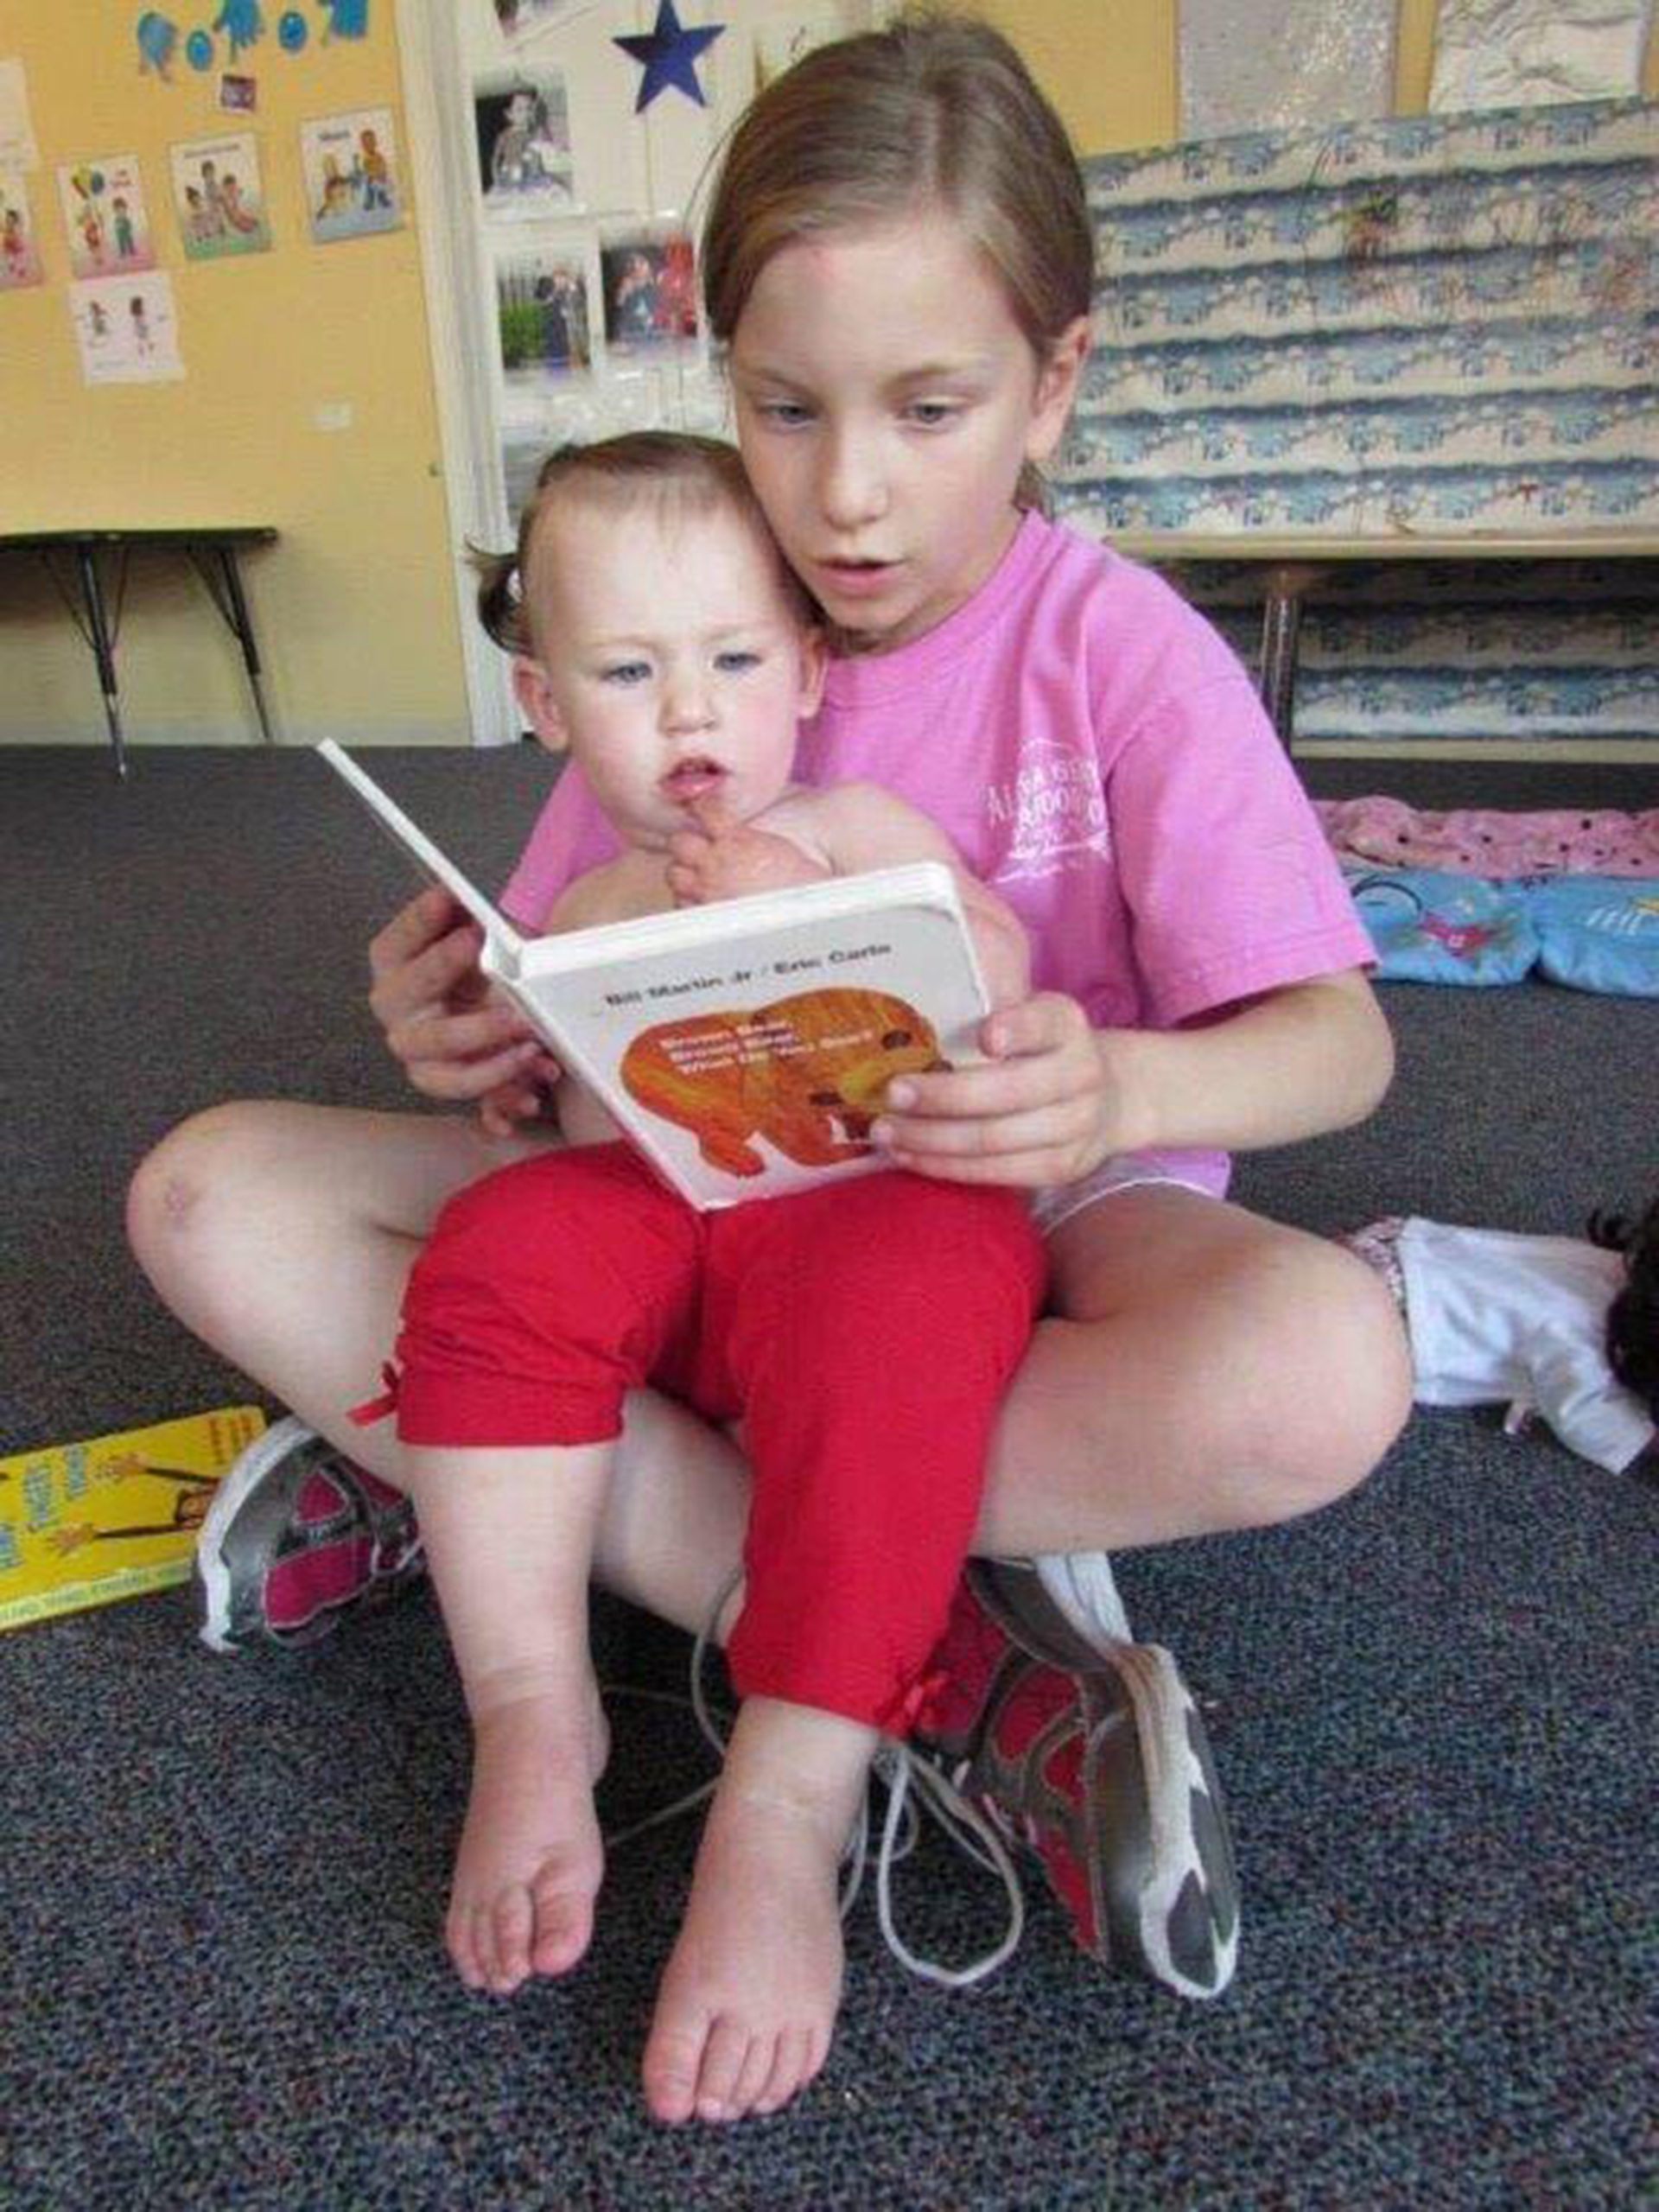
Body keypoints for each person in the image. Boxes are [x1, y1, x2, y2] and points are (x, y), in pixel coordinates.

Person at [128, 9, 1410, 2124]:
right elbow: (560, 1014)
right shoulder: (682, 597)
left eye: (930, 405)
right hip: (682, 1218)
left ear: (1055, 380)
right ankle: (910, 1641)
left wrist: (1118, 1095)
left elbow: (1339, 1042)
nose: (844, 488)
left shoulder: (1120, 650)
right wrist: (473, 1039)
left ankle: (519, 1492)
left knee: (1318, 1362)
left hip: (1026, 1218)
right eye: (780, 402)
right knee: (202, 1191)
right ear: (714, 365)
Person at [379, 429, 1044, 2115]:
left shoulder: (857, 814)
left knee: (921, 1293)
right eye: (628, 670)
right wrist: (507, 1031)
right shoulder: (581, 893)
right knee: (500, 1241)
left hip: (865, 1216)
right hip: (658, 1221)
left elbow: (1000, 955)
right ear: (544, 703)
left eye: (736, 660)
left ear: (810, 669)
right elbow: (541, 1112)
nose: (690, 713)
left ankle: (791, 1794)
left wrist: (824, 887)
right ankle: (530, 1698)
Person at [1342, 1196, 1658, 1476]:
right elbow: (1586, 1417)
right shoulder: (1582, 1337)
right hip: (1386, 1318)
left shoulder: (1610, 1267)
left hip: (1397, 1249)